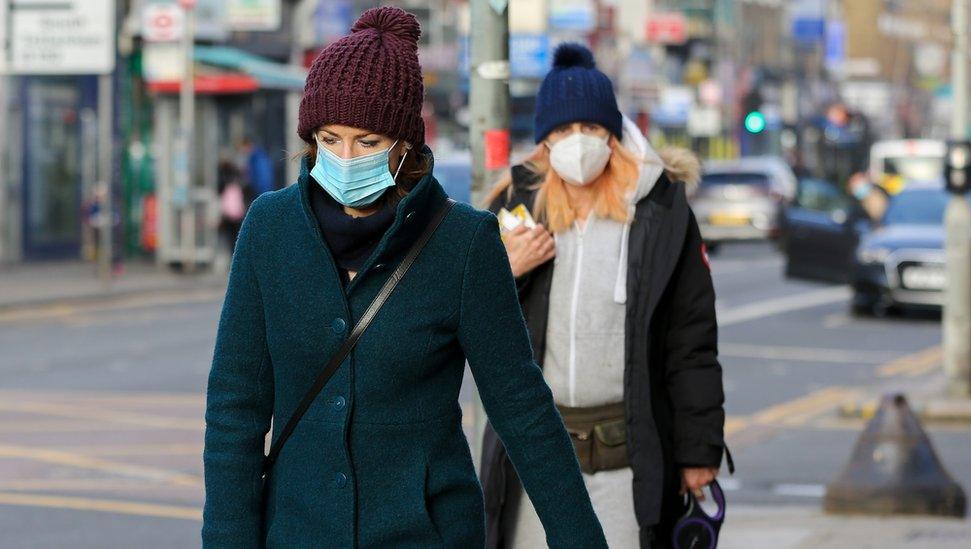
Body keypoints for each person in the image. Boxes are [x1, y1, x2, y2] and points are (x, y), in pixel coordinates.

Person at [202, 9, 607, 548]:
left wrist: (579, 539)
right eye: (329, 138)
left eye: (367, 142)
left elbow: (521, 407)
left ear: (404, 148)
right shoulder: (269, 229)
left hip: (426, 534)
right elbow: (235, 411)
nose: (344, 158)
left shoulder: (463, 243)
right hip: (298, 533)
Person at [480, 43, 730, 549]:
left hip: (626, 461)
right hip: (537, 460)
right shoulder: (513, 208)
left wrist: (699, 450)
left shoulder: (659, 210)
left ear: (613, 137)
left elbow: (691, 338)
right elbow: (464, 332)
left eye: (592, 129)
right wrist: (505, 271)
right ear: (545, 141)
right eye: (564, 131)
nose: (579, 142)